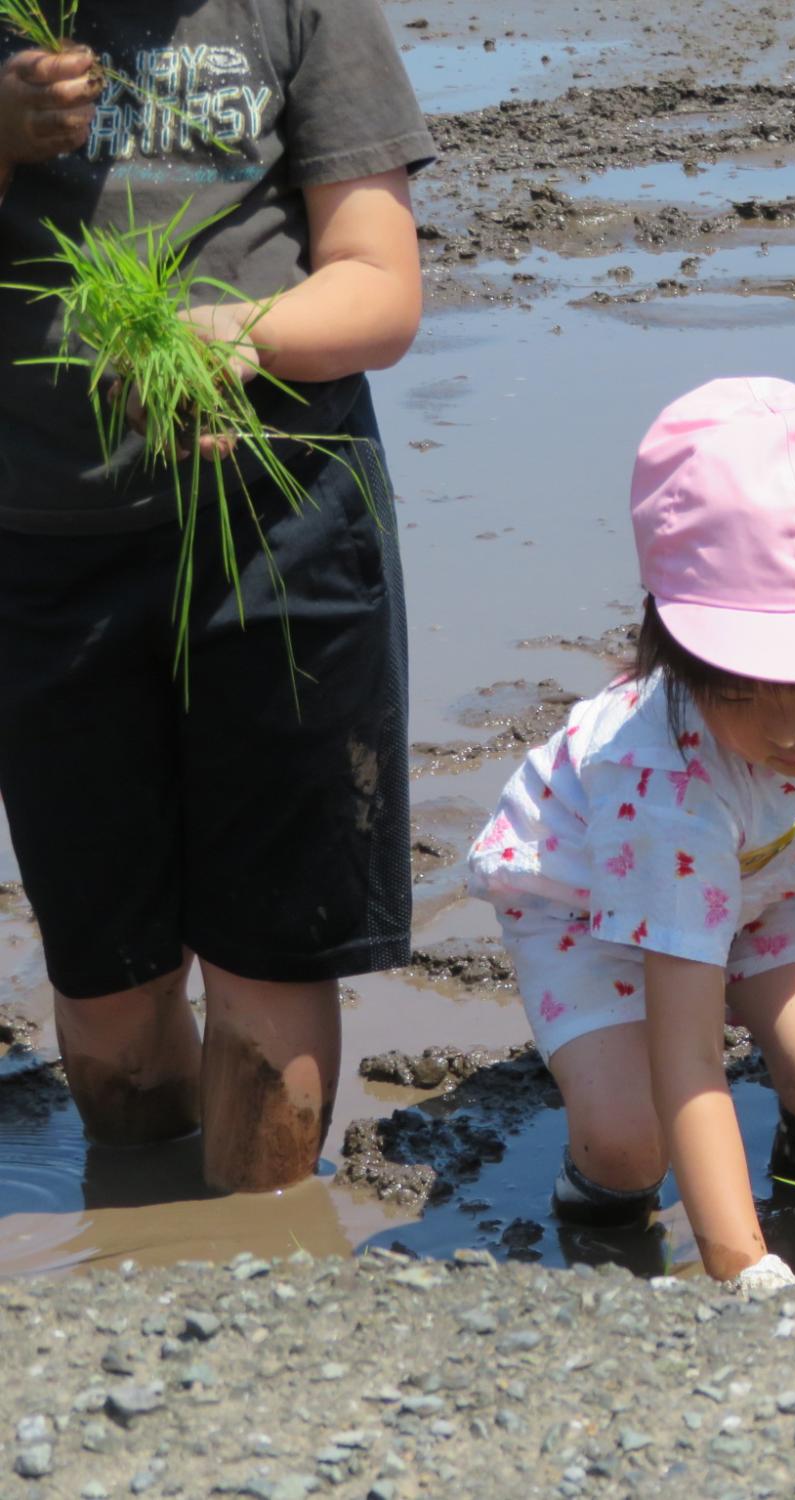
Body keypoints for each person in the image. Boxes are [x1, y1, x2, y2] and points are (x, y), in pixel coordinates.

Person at [0, 2, 433, 1191]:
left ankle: (256, 1270)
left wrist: (242, 334)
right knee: (110, 974)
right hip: (43, 549)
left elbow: (378, 287)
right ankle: (137, 1240)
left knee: (273, 955)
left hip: (284, 533)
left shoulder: (300, 10)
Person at [468, 378, 795, 1292]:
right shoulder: (661, 782)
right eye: (746, 689)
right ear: (673, 646)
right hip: (592, 902)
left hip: (762, 877)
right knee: (630, 1137)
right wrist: (740, 1265)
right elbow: (690, 1061)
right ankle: (609, 1244)